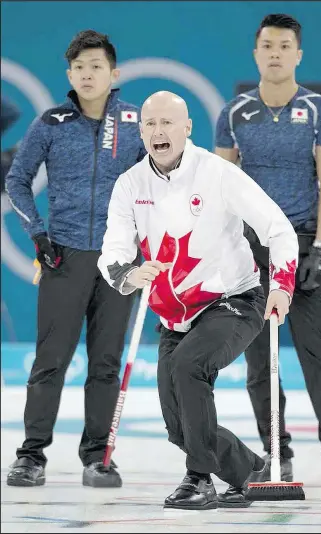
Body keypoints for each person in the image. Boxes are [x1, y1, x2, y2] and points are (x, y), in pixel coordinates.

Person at [98, 90, 299, 510]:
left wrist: (282, 284)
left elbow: (278, 228)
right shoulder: (130, 184)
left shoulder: (217, 173)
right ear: (141, 131)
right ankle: (251, 472)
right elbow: (113, 250)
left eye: (168, 122)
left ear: (187, 128)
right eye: (150, 124)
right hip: (174, 316)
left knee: (190, 367)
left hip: (235, 300)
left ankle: (199, 478)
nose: (159, 131)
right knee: (178, 424)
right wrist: (129, 274)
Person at [215, 13, 321, 485]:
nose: (276, 53)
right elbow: (223, 188)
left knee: (318, 357)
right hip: (251, 251)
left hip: (301, 246)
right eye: (267, 45)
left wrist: (320, 248)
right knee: (260, 360)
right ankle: (275, 450)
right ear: (256, 53)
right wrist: (227, 250)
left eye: (284, 46)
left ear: (298, 54)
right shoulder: (234, 114)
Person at [6, 30, 146, 489]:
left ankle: (97, 457)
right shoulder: (51, 122)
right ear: (69, 74)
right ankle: (31, 456)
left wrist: (145, 243)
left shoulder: (135, 122)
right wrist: (38, 235)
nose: (88, 74)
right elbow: (17, 181)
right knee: (51, 360)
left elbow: (159, 185)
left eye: (96, 66)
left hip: (117, 263)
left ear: (114, 73)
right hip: (63, 258)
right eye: (80, 67)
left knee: (105, 361)